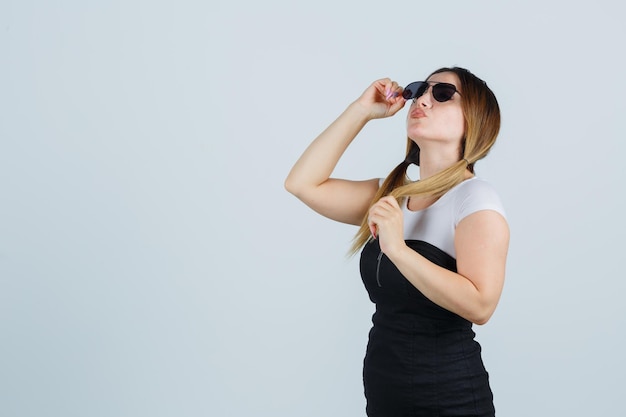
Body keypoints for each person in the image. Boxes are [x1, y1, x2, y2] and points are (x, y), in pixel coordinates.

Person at [284, 67, 509, 417]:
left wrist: (398, 250)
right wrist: (361, 110)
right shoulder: (391, 194)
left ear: (474, 119)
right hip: (385, 398)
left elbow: (481, 305)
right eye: (420, 90)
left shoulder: (474, 199)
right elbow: (302, 183)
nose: (422, 99)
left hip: (450, 401)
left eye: (443, 94)